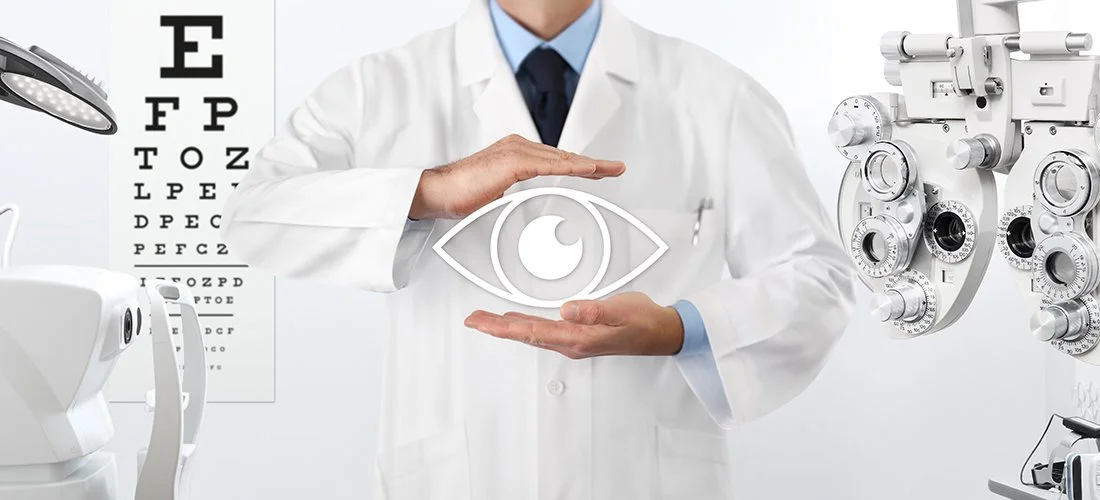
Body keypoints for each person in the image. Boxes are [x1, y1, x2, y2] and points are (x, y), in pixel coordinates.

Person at [220, 0, 856, 497]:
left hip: (643, 480)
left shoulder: (717, 95)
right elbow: (253, 217)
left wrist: (675, 328)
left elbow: (815, 279)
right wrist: (429, 191)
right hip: (456, 476)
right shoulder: (377, 89)